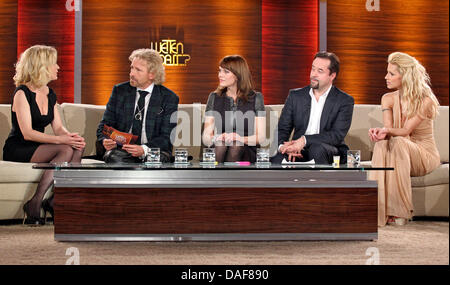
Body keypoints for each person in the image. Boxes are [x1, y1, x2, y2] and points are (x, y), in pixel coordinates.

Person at [2, 45, 86, 225]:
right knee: (64, 149)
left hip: (38, 145)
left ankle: (56, 200)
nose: (58, 67)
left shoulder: (50, 94)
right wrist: (62, 140)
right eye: (54, 63)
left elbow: (58, 128)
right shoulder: (22, 93)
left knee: (76, 147)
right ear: (42, 66)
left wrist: (71, 137)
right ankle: (36, 201)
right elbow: (28, 133)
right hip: (19, 147)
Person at [368, 52, 441, 227]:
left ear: (405, 76)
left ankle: (400, 211)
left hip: (423, 155)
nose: (386, 77)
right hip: (399, 148)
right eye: (387, 72)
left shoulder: (425, 101)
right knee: (382, 142)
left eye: (391, 74)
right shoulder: (387, 99)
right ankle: (375, 209)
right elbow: (389, 131)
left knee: (399, 141)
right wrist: (381, 133)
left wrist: (387, 131)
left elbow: (406, 131)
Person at [96, 48, 179, 163]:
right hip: (122, 152)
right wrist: (105, 140)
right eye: (131, 68)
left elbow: (167, 137)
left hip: (152, 152)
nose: (131, 74)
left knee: (157, 159)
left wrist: (143, 149)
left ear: (152, 74)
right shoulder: (120, 91)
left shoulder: (168, 98)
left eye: (138, 70)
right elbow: (104, 127)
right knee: (115, 157)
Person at [271, 51, 354, 164]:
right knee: (277, 158)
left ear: (332, 76)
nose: (313, 74)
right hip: (298, 150)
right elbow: (282, 129)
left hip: (328, 149)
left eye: (320, 71)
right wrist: (283, 147)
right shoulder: (295, 96)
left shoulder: (344, 100)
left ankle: (319, 182)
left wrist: (305, 140)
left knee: (317, 149)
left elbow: (336, 135)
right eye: (313, 69)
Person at [202, 55, 266, 163]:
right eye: (220, 71)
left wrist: (240, 138)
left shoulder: (256, 98)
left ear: (238, 75)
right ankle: (220, 179)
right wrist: (218, 137)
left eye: (226, 72)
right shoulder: (214, 97)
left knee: (236, 145)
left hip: (246, 149)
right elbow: (206, 137)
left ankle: (221, 179)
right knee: (220, 144)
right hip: (221, 148)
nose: (220, 75)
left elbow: (261, 137)